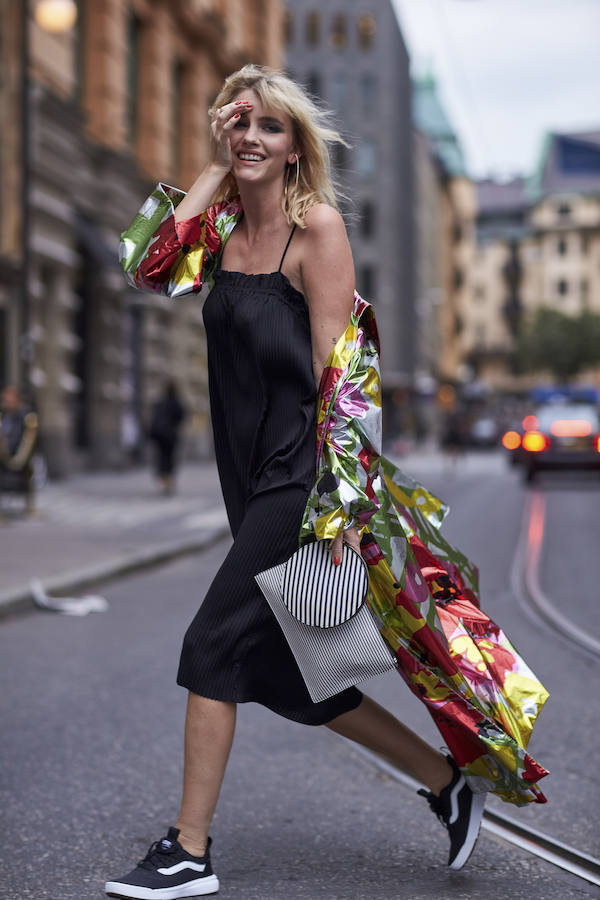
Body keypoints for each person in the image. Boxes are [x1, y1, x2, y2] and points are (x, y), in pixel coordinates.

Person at [108, 65, 548, 899]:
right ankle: (450, 787)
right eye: (238, 122)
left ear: (295, 146)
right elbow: (148, 267)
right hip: (246, 480)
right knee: (276, 673)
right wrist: (205, 168)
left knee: (208, 648)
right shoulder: (221, 230)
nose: (250, 137)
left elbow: (343, 376)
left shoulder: (319, 231)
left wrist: (343, 504)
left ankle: (187, 852)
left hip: (302, 479)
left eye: (268, 126)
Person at [0, 385, 38, 515]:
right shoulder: (4, 415)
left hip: (19, 456)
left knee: (27, 475)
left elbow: (28, 439)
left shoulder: (27, 417)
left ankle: (29, 506)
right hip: (4, 455)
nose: (5, 401)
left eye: (8, 398)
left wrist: (16, 459)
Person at [148, 379, 186, 495]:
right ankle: (168, 481)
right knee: (169, 458)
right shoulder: (177, 403)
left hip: (160, 435)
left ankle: (164, 480)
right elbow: (181, 417)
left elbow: (154, 416)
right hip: (171, 436)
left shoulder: (161, 402)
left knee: (161, 457)